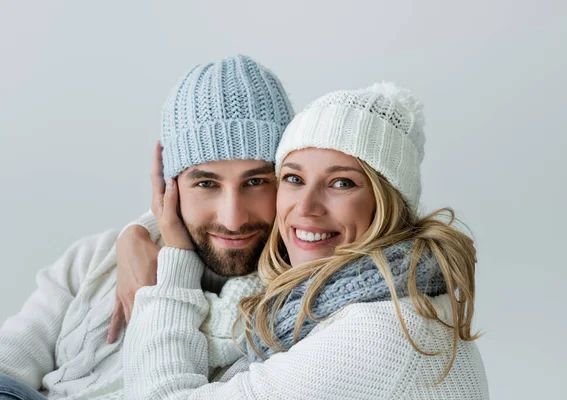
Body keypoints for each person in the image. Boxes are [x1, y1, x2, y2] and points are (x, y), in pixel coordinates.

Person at [122, 82, 490, 399]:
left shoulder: (385, 329)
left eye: (341, 183)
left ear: (388, 201)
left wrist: (175, 259)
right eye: (294, 179)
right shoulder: (334, 300)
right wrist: (139, 231)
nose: (306, 208)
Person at [0, 54, 294, 399]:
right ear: (167, 185)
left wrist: (176, 266)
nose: (233, 219)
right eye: (206, 184)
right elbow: (9, 364)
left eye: (256, 181)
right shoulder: (95, 258)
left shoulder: (293, 309)